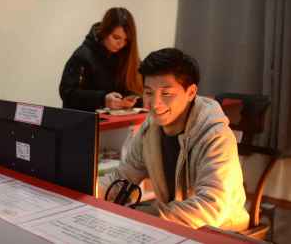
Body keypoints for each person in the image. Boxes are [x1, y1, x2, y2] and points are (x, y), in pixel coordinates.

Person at [98, 48, 250, 231]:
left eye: (166, 94)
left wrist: (146, 216)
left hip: (221, 232)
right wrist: (85, 190)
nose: (155, 104)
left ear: (191, 92)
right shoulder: (149, 130)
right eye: (148, 92)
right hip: (174, 226)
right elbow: (122, 180)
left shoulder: (215, 135)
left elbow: (211, 207)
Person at [59, 7, 142, 111]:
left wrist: (131, 100)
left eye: (126, 40)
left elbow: (140, 90)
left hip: (119, 122)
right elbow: (67, 93)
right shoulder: (82, 55)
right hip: (85, 122)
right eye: (116, 37)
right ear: (105, 31)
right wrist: (102, 99)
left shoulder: (129, 55)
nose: (121, 44)